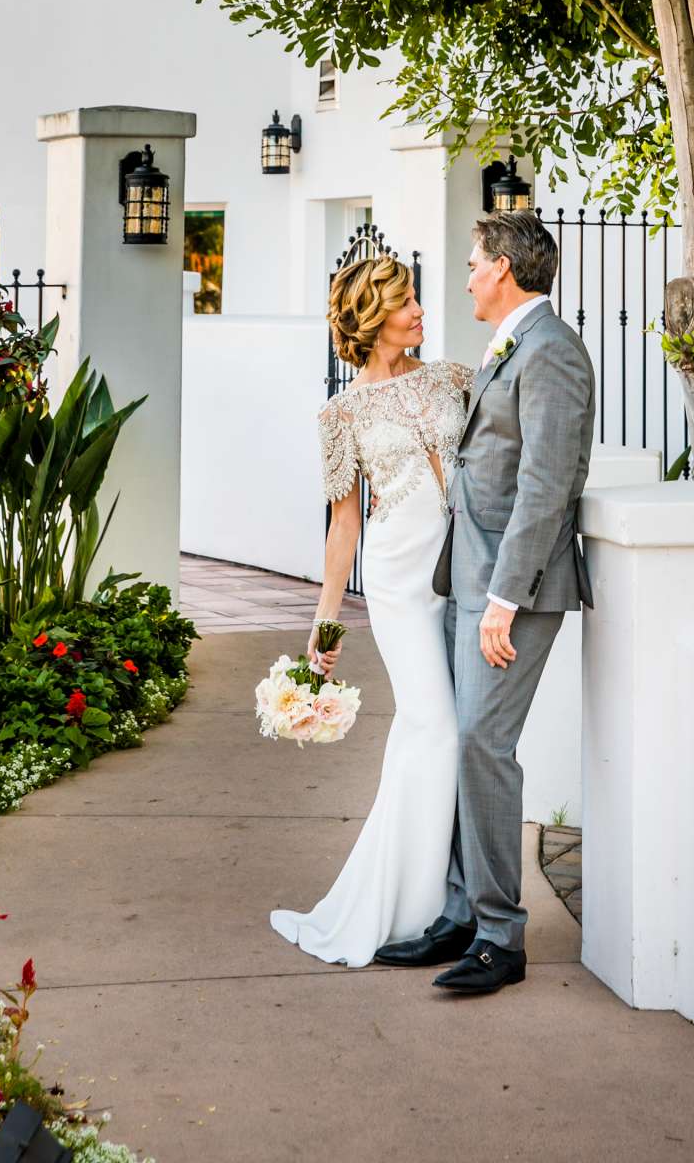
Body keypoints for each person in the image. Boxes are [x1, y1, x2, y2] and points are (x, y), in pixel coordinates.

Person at [373, 209, 595, 998]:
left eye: (472, 263)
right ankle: (465, 914)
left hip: (512, 590)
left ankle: (502, 937)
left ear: (504, 267)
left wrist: (504, 597)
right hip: (470, 582)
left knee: (481, 745)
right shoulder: (512, 344)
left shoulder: (554, 353)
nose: (464, 276)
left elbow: (545, 485)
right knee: (467, 748)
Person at [268, 250, 468, 967]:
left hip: (462, 574)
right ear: (372, 319)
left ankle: (436, 901)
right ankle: (411, 911)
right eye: (405, 301)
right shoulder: (342, 413)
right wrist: (324, 627)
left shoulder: (453, 379)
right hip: (396, 580)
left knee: (435, 735)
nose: (420, 310)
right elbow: (345, 526)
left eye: (416, 298)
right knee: (435, 727)